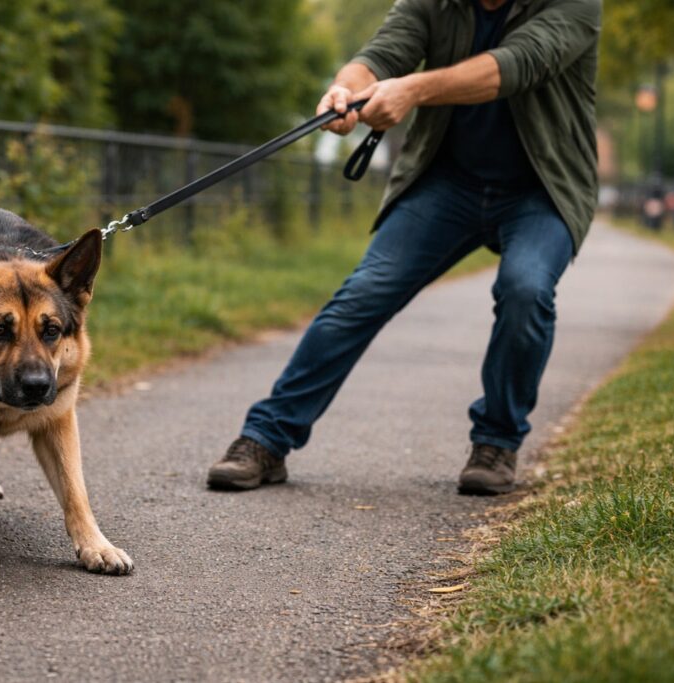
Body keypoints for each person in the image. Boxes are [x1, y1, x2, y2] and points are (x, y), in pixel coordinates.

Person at [207, 0, 602, 495]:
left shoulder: (575, 5)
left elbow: (514, 66)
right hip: (447, 184)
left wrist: (412, 89)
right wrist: (345, 91)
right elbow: (381, 54)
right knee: (364, 292)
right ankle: (266, 438)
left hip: (543, 190)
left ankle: (496, 443)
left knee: (525, 288)